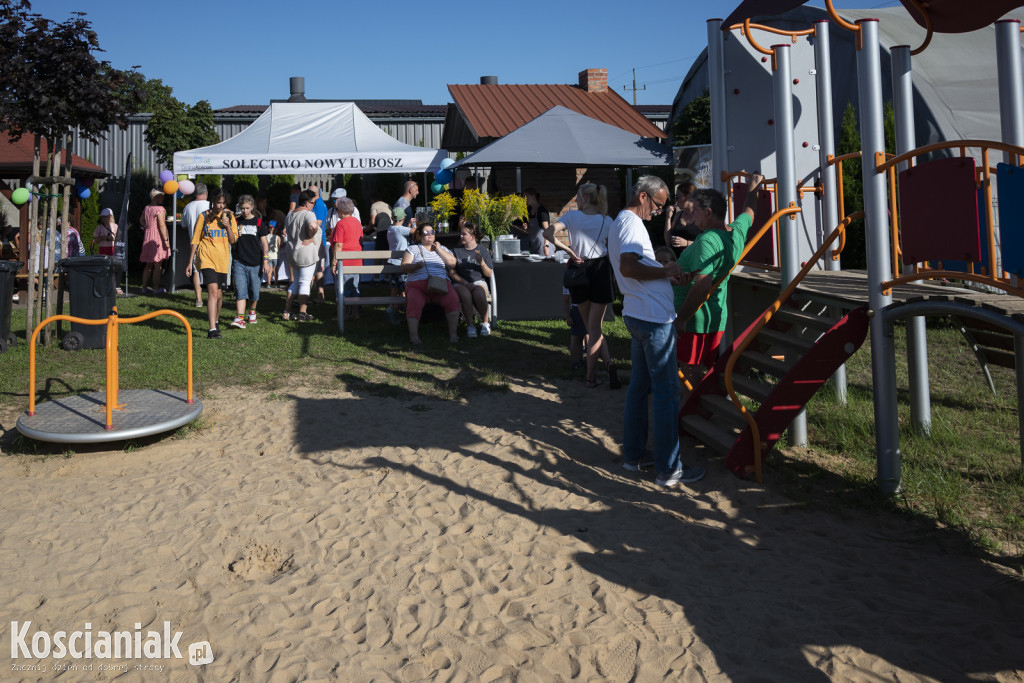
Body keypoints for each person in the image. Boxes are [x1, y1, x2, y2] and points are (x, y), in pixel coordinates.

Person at [608, 175, 705, 488]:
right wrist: (664, 271)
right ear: (643, 197)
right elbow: (627, 267)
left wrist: (668, 278)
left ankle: (634, 456)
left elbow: (636, 270)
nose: (660, 212)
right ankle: (669, 469)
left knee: (640, 389)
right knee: (666, 394)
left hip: (639, 314)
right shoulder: (632, 224)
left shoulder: (623, 222)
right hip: (652, 320)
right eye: (659, 205)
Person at [674, 174, 764, 379]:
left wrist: (681, 319)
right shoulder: (735, 232)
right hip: (713, 317)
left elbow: (702, 286)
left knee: (688, 375)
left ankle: (693, 411)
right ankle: (698, 408)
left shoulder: (708, 240)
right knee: (694, 373)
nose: (691, 215)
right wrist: (753, 190)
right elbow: (749, 212)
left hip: (695, 320)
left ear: (708, 212)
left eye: (695, 211)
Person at [543, 182, 619, 389]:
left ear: (585, 198)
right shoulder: (607, 221)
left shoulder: (572, 217)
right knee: (595, 329)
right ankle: (603, 368)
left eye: (577, 196)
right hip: (601, 270)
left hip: (579, 269)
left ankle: (592, 376)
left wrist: (568, 251)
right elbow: (614, 249)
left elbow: (547, 234)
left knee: (591, 328)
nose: (575, 199)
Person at [186, 190, 238, 339]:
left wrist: (227, 226)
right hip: (206, 256)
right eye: (218, 203)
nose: (221, 206)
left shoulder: (229, 216)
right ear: (212, 202)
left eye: (223, 203)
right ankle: (212, 329)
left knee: (220, 294)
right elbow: (195, 240)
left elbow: (233, 240)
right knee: (213, 292)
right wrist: (190, 262)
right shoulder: (204, 216)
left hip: (222, 259)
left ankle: (215, 319)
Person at [400, 222, 460, 345]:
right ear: (420, 235)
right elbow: (404, 267)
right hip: (418, 285)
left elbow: (452, 263)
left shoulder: (443, 249)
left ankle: (453, 334)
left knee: (453, 299)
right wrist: (416, 266)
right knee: (414, 302)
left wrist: (438, 249)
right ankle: (414, 336)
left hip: (440, 285)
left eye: (432, 232)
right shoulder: (413, 249)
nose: (430, 235)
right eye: (426, 233)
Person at [229, 194, 271, 330]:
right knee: (240, 290)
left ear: (252, 207)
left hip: (256, 262)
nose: (244, 211)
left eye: (247, 208)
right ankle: (240, 317)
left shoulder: (259, 223)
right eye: (242, 208)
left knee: (254, 292)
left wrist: (266, 261)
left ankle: (252, 311)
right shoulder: (236, 221)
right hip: (239, 261)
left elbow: (265, 244)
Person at [448, 221, 493, 338]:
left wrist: (482, 263)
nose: (461, 236)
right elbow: (452, 273)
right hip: (460, 282)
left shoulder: (482, 250)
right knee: (465, 294)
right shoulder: (456, 251)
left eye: (464, 234)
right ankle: (470, 325)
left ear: (472, 237)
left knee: (479, 293)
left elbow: (489, 274)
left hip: (478, 281)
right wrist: (465, 283)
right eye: (461, 234)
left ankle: (485, 323)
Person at [282, 189, 322, 322]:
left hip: (292, 252)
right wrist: (311, 236)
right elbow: (313, 225)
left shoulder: (289, 214)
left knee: (296, 282)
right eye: (312, 203)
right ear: (306, 203)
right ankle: (302, 313)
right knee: (305, 282)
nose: (313, 206)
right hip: (306, 253)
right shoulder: (308, 214)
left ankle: (287, 311)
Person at [328, 197, 364, 321]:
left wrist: (333, 263)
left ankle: (342, 315)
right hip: (357, 260)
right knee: (354, 287)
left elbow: (338, 245)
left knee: (342, 289)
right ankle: (355, 313)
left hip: (344, 262)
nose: (336, 211)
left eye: (337, 208)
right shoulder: (357, 222)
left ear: (342, 210)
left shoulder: (341, 224)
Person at [181, 183, 210, 307]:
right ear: (206, 193)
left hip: (194, 242)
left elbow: (183, 225)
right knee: (210, 270)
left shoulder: (187, 207)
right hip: (209, 242)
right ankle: (212, 297)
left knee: (196, 270)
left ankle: (198, 299)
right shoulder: (210, 205)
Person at [139, 188, 170, 295]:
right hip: (157, 237)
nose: (163, 198)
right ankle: (156, 289)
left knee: (148, 264)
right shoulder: (160, 209)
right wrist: (165, 240)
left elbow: (141, 220)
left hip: (148, 236)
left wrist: (146, 227)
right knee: (158, 263)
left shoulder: (147, 208)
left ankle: (143, 288)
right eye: (161, 196)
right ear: (157, 197)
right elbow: (161, 225)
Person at [385, 207, 412, 325]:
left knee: (394, 288)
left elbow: (404, 232)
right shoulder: (401, 229)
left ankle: (393, 309)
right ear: (404, 218)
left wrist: (409, 225)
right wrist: (413, 225)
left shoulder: (390, 228)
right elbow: (415, 232)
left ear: (392, 218)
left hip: (392, 262)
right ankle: (406, 312)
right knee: (405, 289)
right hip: (401, 264)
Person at [664, 182, 699, 256]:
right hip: (678, 261)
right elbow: (668, 242)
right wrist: (668, 218)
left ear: (687, 197)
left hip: (695, 261)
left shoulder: (701, 216)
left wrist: (686, 243)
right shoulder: (678, 215)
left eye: (677, 197)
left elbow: (706, 242)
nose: (676, 201)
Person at [513, 187, 550, 256]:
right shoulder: (529, 211)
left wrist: (546, 246)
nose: (524, 199)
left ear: (532, 196)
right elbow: (531, 231)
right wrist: (526, 229)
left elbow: (547, 230)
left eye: (525, 196)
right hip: (534, 245)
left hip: (543, 246)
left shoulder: (542, 211)